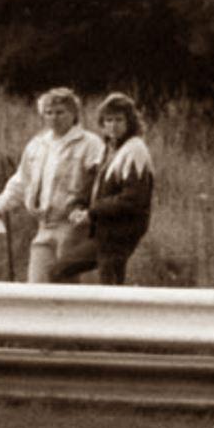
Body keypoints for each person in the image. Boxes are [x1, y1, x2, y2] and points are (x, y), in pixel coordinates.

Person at [0, 87, 104, 283]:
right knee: (36, 284)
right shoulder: (37, 145)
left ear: (74, 114)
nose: (54, 118)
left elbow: (101, 183)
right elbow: (21, 181)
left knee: (68, 283)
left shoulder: (90, 144)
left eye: (60, 112)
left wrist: (90, 213)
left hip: (75, 226)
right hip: (44, 225)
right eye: (49, 113)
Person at [52, 92, 154, 285]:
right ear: (102, 123)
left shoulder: (135, 150)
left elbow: (133, 199)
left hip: (120, 234)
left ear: (130, 122)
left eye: (119, 120)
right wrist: (76, 207)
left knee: (108, 287)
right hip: (104, 233)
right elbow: (89, 186)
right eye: (108, 120)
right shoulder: (108, 148)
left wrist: (92, 212)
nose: (113, 126)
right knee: (60, 271)